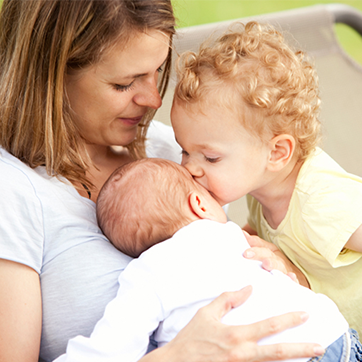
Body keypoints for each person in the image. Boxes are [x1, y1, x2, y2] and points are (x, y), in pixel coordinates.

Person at [0, 1, 325, 362]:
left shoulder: (180, 150)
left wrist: (285, 267)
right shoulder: (13, 192)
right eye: (124, 83)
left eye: (157, 70)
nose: (153, 98)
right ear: (50, 74)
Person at [54, 157, 359, 362]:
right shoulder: (230, 236)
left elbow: (108, 349)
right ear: (198, 203)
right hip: (333, 331)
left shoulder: (144, 274)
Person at [170, 21, 362, 337]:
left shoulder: (321, 200)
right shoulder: (260, 189)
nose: (189, 168)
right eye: (184, 151)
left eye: (211, 157)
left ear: (276, 153)